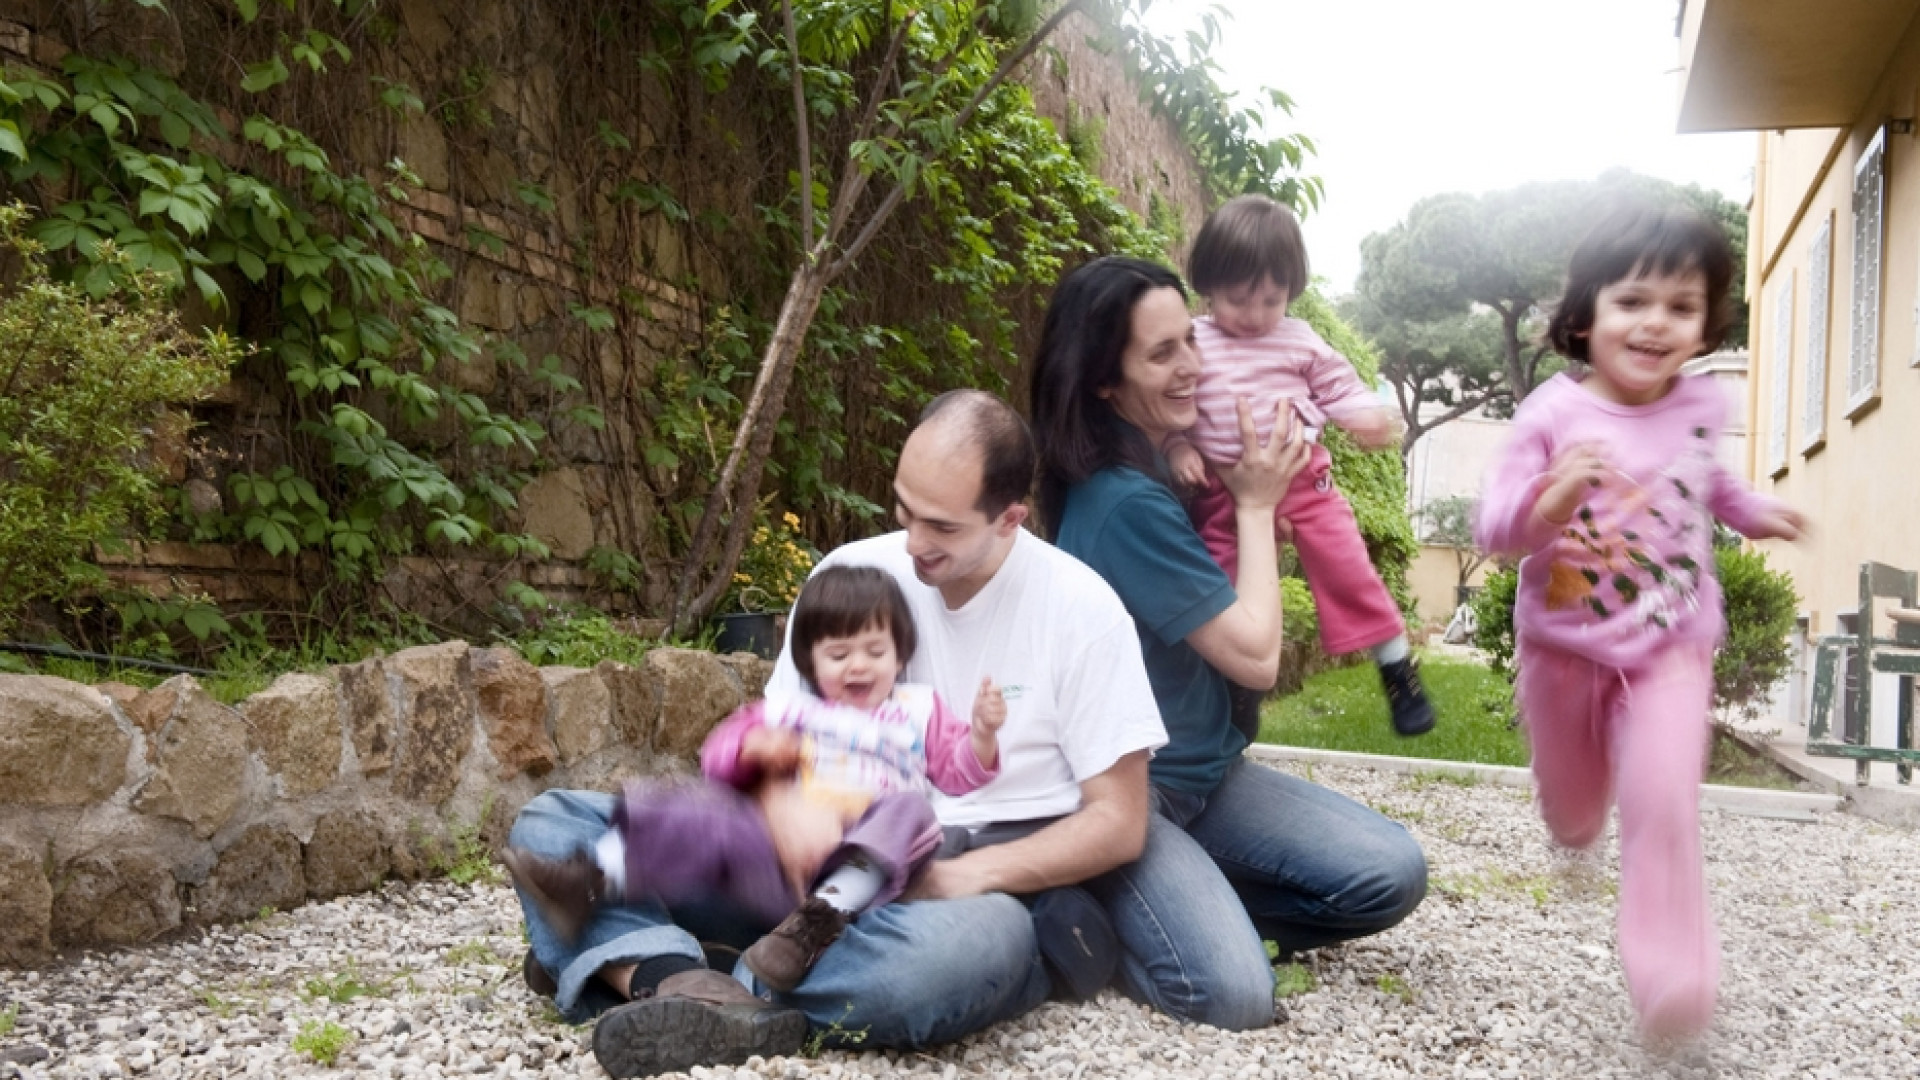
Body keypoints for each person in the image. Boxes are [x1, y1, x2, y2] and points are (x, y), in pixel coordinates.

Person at [505, 389, 1167, 1078]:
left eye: (941, 527)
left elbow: (1119, 822)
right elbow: (765, 737)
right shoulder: (851, 577)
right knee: (553, 821)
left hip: (934, 887)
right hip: (789, 869)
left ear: (1009, 518)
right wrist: (779, 802)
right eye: (904, 510)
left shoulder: (1082, 610)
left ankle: (645, 968)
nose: (913, 543)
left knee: (966, 952)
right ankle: (684, 982)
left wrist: (956, 878)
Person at [1028, 254, 1430, 1032]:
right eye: (1162, 353)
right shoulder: (1124, 503)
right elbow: (1256, 657)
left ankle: (1195, 904)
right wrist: (1256, 506)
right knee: (1234, 993)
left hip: (1206, 777)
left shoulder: (1171, 462)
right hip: (1131, 798)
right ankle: (1092, 923)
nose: (1193, 365)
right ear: (1105, 382)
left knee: (1392, 872)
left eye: (1191, 339)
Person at [1475, 203, 1806, 1042]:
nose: (1656, 322)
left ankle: (1673, 976)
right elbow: (1495, 529)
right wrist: (1551, 500)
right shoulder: (1552, 415)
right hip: (1564, 651)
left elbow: (1704, 479)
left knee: (1664, 800)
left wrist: (1752, 510)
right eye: (1632, 301)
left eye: (1681, 306)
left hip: (1671, 650)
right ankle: (1573, 817)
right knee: (1575, 810)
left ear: (1705, 326)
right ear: (1586, 316)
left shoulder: (1700, 406)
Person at [499, 564, 1006, 994]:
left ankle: (815, 924)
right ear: (810, 660)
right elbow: (716, 758)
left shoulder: (917, 712)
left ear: (901, 653)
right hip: (773, 862)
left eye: (876, 651)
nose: (859, 666)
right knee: (693, 807)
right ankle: (591, 880)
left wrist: (982, 735)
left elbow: (959, 772)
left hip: (861, 868)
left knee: (910, 812)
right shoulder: (788, 712)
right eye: (839, 654)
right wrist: (753, 749)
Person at [1164, 194, 1433, 738]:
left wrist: (1365, 418)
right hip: (1223, 491)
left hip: (1305, 481)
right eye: (1239, 299)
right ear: (1208, 284)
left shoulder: (1299, 338)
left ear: (1292, 289)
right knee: (1220, 590)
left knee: (1347, 568)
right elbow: (1173, 401)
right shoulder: (1194, 341)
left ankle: (1396, 666)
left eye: (1273, 299)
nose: (1256, 315)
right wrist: (1177, 448)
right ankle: (1235, 688)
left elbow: (1339, 386)